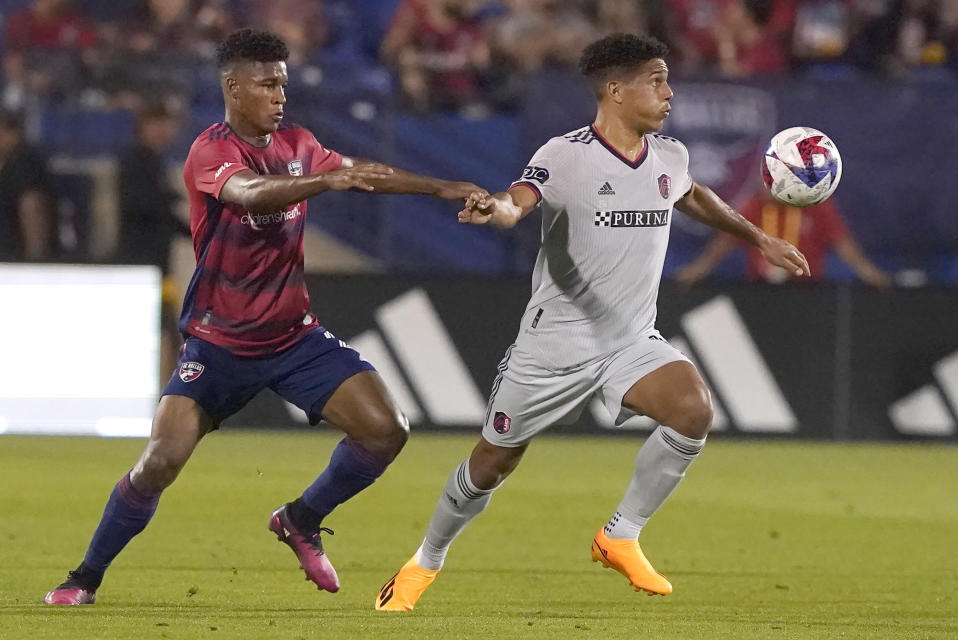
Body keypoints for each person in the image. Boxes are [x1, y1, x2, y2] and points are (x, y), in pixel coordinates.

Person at [43, 28, 485, 606]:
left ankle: (300, 519)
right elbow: (249, 194)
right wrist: (325, 179)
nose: (280, 94)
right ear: (233, 87)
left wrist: (443, 188)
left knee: (386, 429)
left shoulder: (300, 142)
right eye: (267, 84)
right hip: (216, 344)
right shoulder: (211, 151)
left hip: (292, 337)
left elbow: (364, 171)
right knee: (159, 462)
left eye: (284, 83)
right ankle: (85, 577)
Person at [375, 32, 810, 611]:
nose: (669, 92)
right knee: (490, 465)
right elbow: (518, 200)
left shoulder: (668, 157)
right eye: (656, 80)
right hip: (552, 347)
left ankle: (620, 535)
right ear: (615, 90)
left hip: (629, 341)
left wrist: (760, 238)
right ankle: (424, 561)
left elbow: (694, 195)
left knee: (693, 410)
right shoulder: (566, 154)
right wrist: (495, 211)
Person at [674, 187, 891, 286]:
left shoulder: (815, 204)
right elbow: (726, 241)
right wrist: (699, 268)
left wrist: (868, 272)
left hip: (808, 290)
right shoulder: (755, 205)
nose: (766, 184)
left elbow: (842, 242)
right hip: (761, 291)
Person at [114, 101, 191, 379]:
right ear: (144, 127)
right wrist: (169, 200)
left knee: (167, 329)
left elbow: (165, 216)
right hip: (140, 264)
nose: (165, 131)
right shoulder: (135, 160)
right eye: (158, 124)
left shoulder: (154, 162)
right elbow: (143, 206)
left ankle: (168, 393)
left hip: (158, 266)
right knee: (158, 331)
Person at [0, 108, 57, 261]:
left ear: (10, 132)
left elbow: (32, 205)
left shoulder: (24, 161)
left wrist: (34, 256)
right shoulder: (10, 160)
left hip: (15, 257)